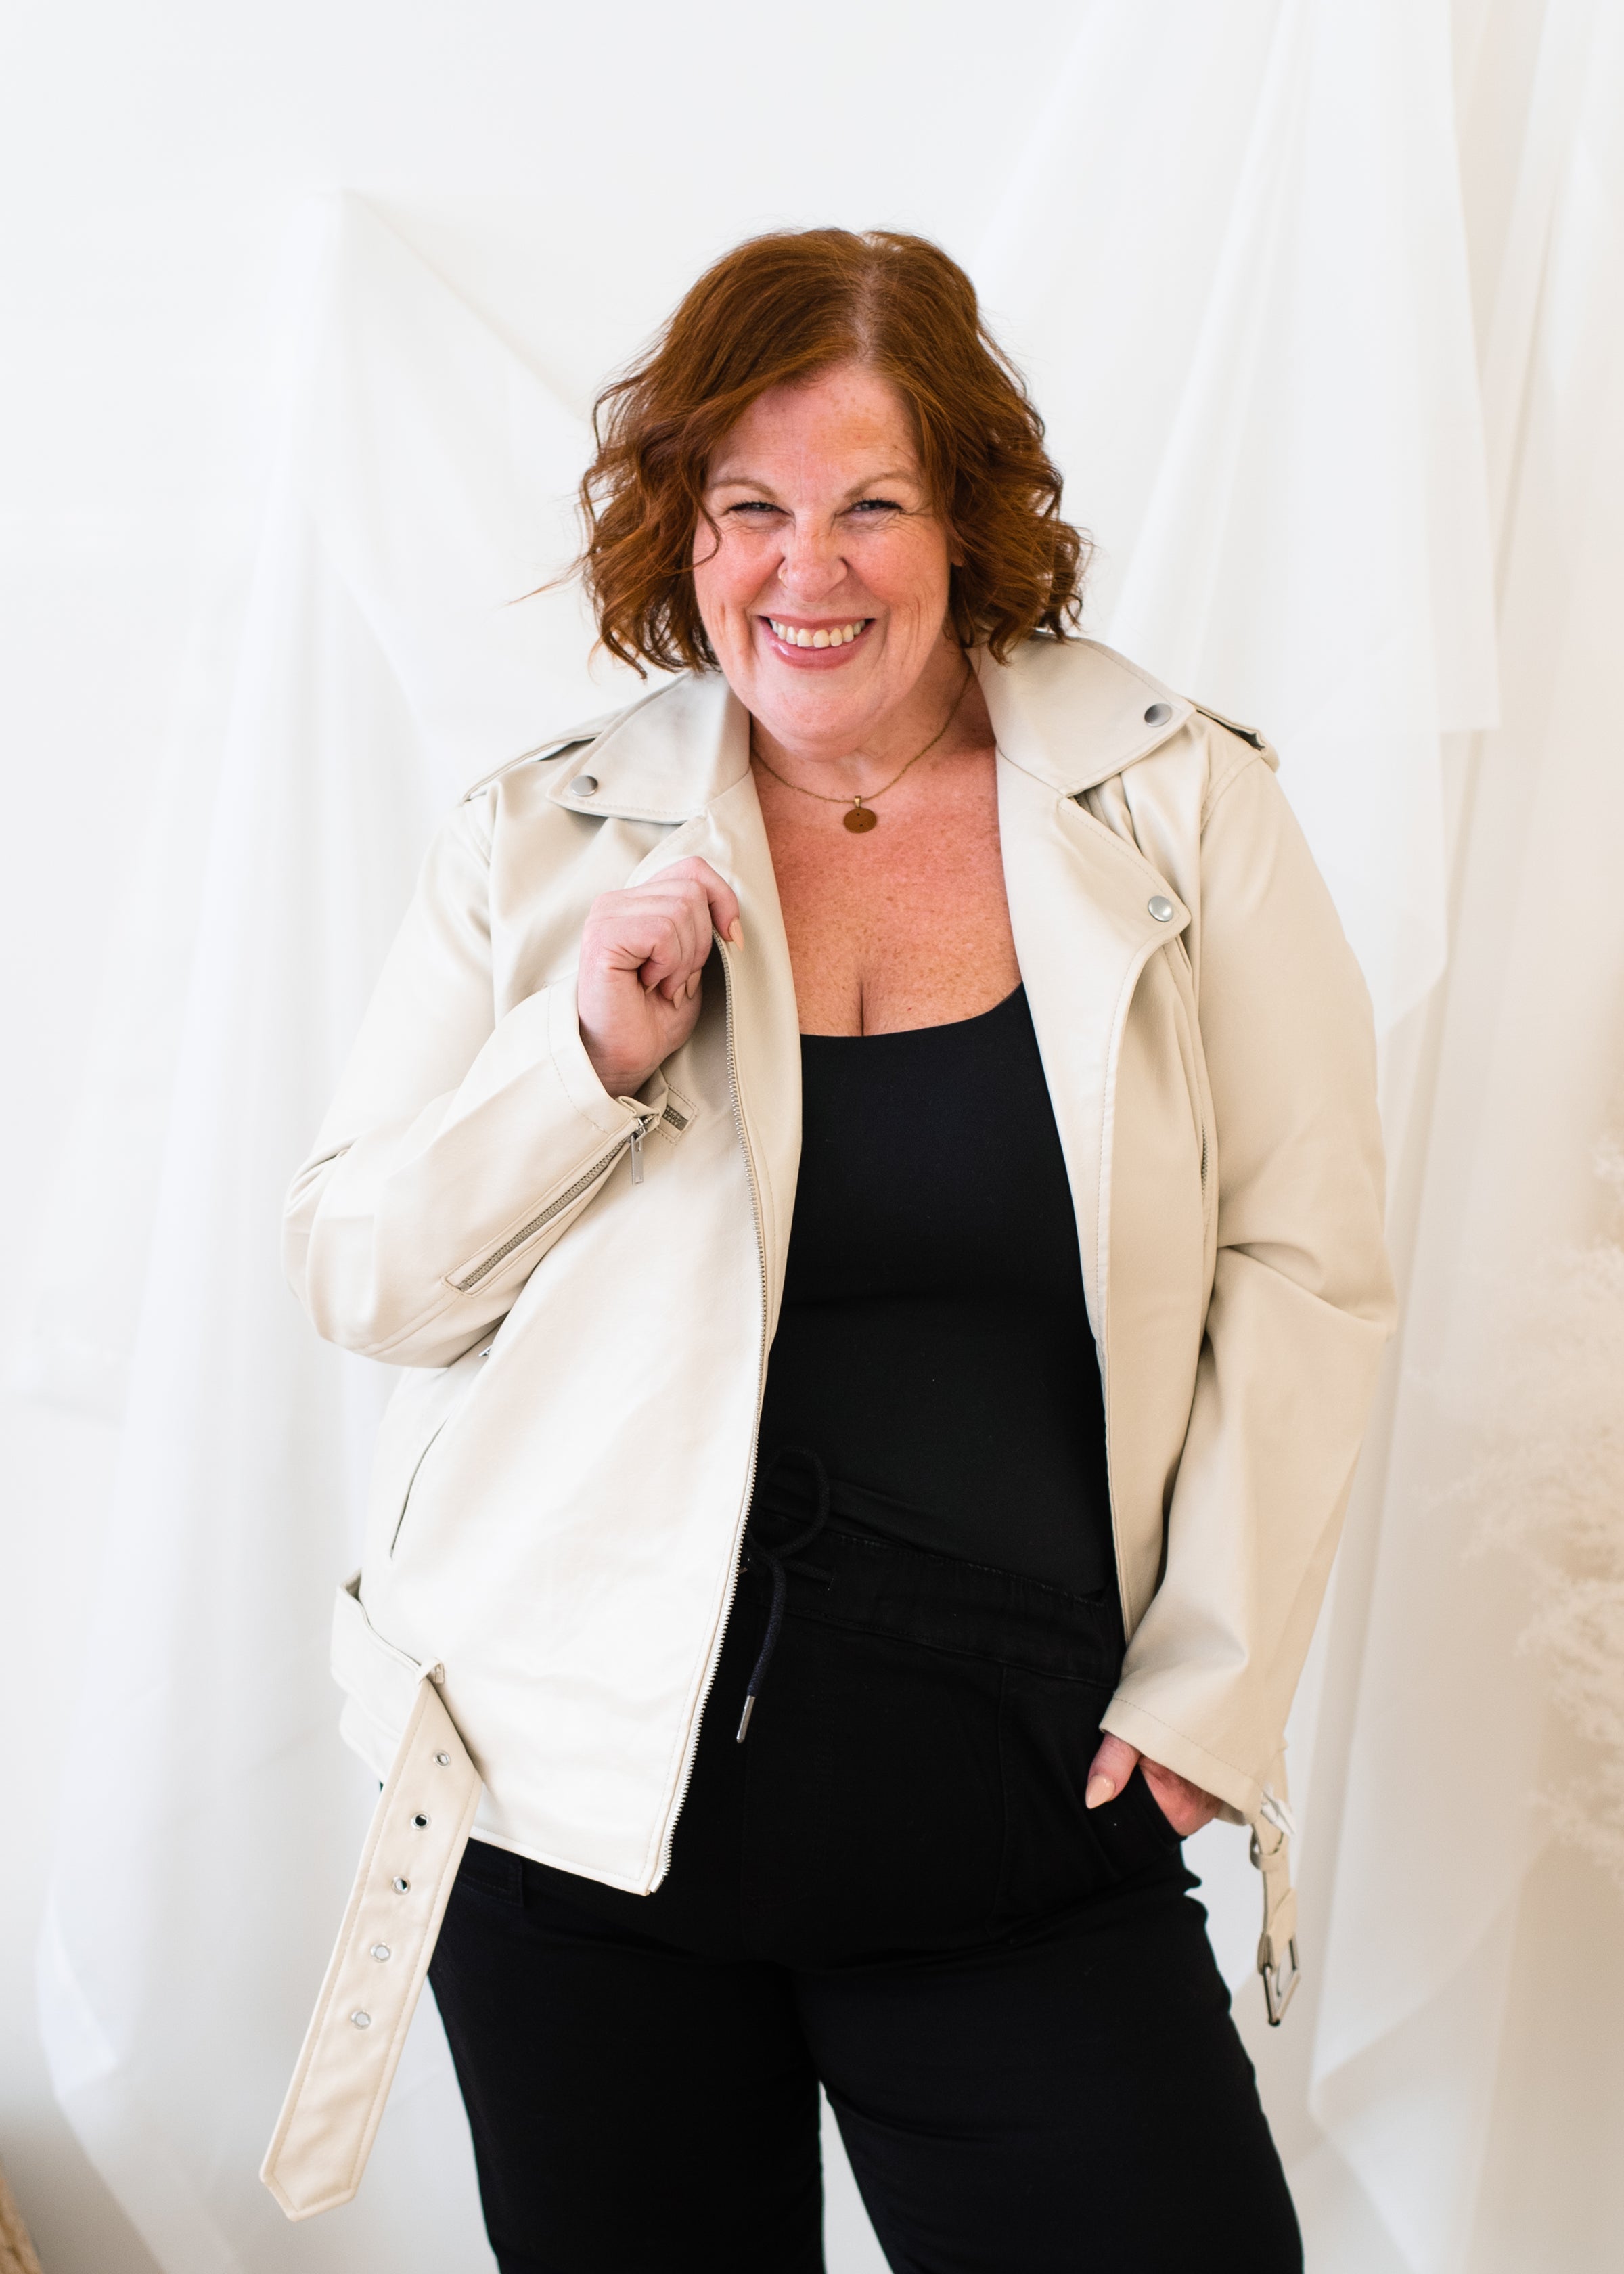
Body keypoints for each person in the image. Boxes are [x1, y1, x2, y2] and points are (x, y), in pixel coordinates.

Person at [265, 229, 1394, 2272]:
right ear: (682, 530)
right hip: (582, 1829)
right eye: (751, 509)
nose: (810, 570)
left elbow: (1304, 1268)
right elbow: (365, 1276)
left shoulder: (1177, 810)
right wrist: (584, 1061)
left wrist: (1213, 1695)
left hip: (1023, 1819)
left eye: (872, 503)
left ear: (967, 516)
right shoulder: (543, 841)